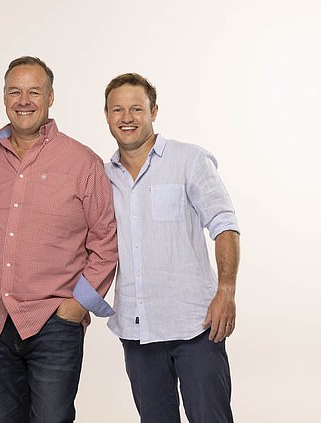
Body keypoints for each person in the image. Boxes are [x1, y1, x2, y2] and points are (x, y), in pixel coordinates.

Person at [0, 56, 118, 423]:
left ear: (51, 97)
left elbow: (106, 240)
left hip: (54, 324)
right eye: (15, 91)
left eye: (34, 91)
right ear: (3, 97)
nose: (24, 100)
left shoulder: (82, 162)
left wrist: (79, 305)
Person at [103, 73, 241, 423]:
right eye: (117, 109)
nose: (127, 117)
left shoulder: (189, 160)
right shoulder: (103, 176)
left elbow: (224, 224)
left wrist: (226, 290)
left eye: (136, 108)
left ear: (154, 111)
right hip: (137, 329)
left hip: (196, 324)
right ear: (106, 115)